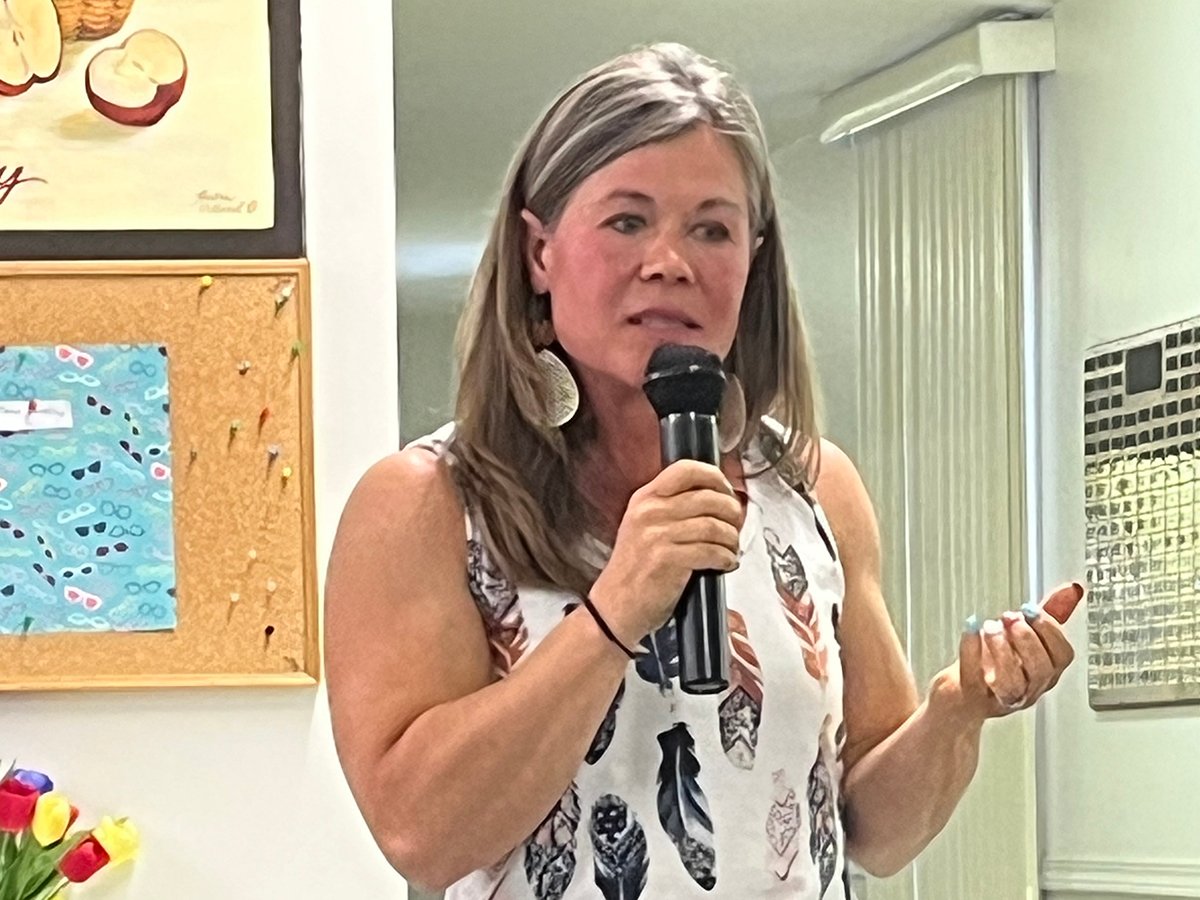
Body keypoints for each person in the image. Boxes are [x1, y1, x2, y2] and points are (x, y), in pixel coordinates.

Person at [324, 42, 1082, 900]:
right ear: (539, 251)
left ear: (753, 259)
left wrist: (956, 714)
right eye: (628, 220)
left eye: (711, 228)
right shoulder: (426, 502)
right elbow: (420, 835)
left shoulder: (812, 485)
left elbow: (876, 833)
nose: (671, 262)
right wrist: (616, 610)